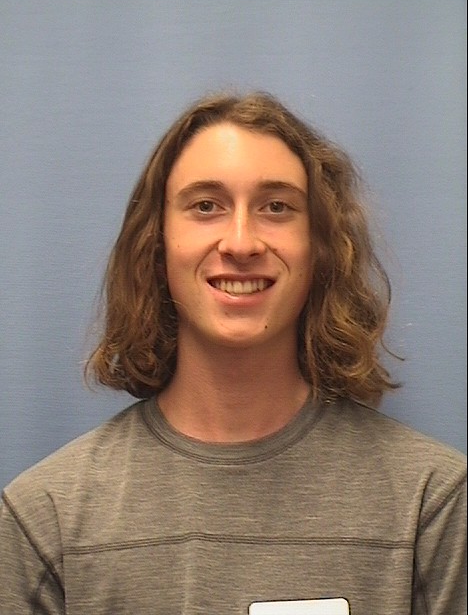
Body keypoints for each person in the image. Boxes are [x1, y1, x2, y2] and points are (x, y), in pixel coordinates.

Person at [0, 92, 465, 615]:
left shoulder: (432, 503)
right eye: (206, 206)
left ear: (319, 248)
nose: (241, 243)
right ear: (157, 244)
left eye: (276, 207)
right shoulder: (47, 520)